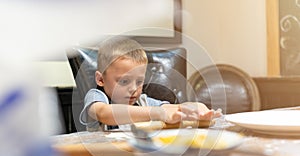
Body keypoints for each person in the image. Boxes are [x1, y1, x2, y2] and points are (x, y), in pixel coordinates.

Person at [79, 36, 220, 131]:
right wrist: (157, 113)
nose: (133, 88)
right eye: (124, 81)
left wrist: (199, 110)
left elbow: (175, 108)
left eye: (139, 81)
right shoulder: (96, 97)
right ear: (101, 79)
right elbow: (105, 113)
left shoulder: (143, 101)